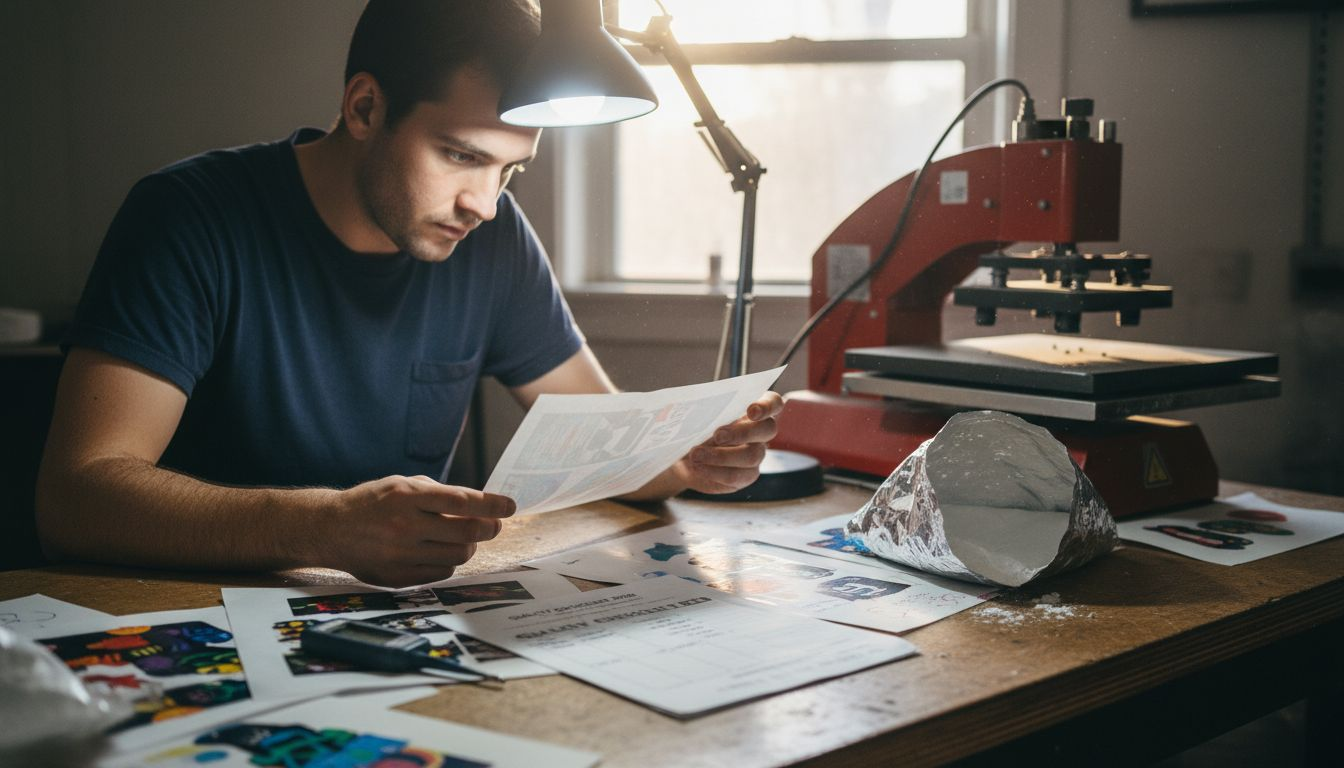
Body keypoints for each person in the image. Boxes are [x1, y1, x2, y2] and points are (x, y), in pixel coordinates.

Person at [34, 0, 782, 588]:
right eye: (461, 156)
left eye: (510, 171)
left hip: (397, 625)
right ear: (364, 109)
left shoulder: (492, 237)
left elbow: (605, 443)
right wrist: (323, 526)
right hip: (188, 619)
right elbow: (77, 495)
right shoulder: (190, 218)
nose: (483, 204)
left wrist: (688, 458)